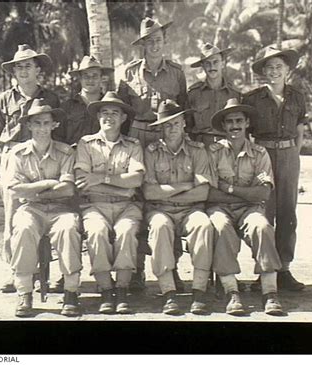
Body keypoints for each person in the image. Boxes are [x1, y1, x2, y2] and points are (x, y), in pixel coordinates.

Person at [117, 17, 188, 291]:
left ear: (164, 42)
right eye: (149, 41)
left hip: (166, 135)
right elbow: (121, 113)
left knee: (169, 200)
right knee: (136, 199)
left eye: (158, 39)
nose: (155, 44)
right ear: (142, 45)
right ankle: (135, 270)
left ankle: (172, 268)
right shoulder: (129, 73)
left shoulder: (177, 73)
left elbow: (183, 110)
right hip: (137, 134)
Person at [206, 98, 284, 316]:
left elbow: (264, 193)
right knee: (220, 227)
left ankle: (270, 293)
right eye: (229, 121)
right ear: (223, 126)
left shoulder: (259, 154)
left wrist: (228, 189)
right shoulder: (213, 153)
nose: (234, 126)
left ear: (247, 122)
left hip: (250, 210)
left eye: (239, 120)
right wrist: (245, 195)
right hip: (220, 209)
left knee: (262, 227)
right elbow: (210, 193)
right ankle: (232, 291)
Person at [0, 44, 60, 293]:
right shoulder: (5, 99)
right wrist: (12, 156)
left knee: (43, 211)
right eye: (19, 66)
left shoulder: (50, 98)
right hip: (14, 159)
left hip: (43, 157)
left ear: (37, 69)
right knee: (13, 216)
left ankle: (46, 273)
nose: (23, 70)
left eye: (28, 66)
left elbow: (57, 130)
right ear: (14, 71)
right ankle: (16, 272)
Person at [5, 98, 82, 317]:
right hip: (31, 209)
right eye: (36, 123)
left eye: (46, 123)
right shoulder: (18, 154)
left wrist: (32, 189)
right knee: (24, 228)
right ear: (28, 125)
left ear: (54, 125)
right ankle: (25, 292)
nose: (41, 128)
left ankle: (71, 292)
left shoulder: (66, 152)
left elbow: (68, 190)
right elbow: (15, 190)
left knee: (68, 229)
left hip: (61, 209)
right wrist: (48, 183)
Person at [243, 46, 307, 291]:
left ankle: (285, 269)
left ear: (287, 70)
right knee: (264, 214)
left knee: (288, 214)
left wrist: (293, 155)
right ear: (263, 72)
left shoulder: (297, 97)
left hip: (289, 155)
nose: (274, 71)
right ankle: (265, 270)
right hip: (263, 154)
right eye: (269, 67)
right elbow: (246, 134)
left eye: (279, 67)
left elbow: (300, 130)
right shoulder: (252, 99)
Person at [74, 91, 144, 314]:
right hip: (94, 205)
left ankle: (122, 289)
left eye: (115, 113)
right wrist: (119, 184)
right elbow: (83, 182)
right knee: (96, 232)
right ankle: (105, 289)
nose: (109, 117)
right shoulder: (86, 144)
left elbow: (136, 180)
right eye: (105, 112)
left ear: (124, 118)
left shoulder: (133, 145)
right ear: (98, 116)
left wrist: (101, 178)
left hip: (127, 206)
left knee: (127, 230)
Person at [143, 100, 214, 315]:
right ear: (160, 128)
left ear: (184, 123)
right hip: (160, 210)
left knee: (203, 225)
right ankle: (169, 293)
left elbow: (203, 192)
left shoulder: (197, 150)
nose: (171, 128)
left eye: (175, 123)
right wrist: (185, 185)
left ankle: (199, 290)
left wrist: (167, 190)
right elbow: (149, 193)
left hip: (191, 211)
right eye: (166, 125)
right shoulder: (151, 151)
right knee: (159, 226)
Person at [188, 42, 241, 147]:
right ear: (202, 66)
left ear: (222, 63)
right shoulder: (193, 93)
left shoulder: (234, 93)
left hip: (227, 147)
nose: (212, 67)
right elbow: (188, 125)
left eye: (215, 62)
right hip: (201, 146)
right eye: (207, 63)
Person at [54, 55, 113, 145]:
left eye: (95, 76)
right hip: (73, 156)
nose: (90, 80)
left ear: (101, 78)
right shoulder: (67, 107)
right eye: (86, 76)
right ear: (80, 78)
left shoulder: (109, 106)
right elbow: (58, 137)